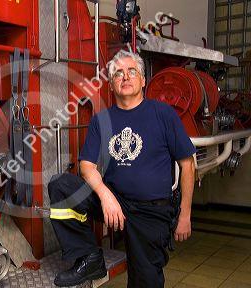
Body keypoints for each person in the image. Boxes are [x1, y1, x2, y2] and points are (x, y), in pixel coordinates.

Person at [49, 50, 196, 287]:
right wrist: (106, 196)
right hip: (115, 202)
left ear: (143, 79)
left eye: (131, 72)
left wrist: (185, 215)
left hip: (151, 211)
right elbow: (87, 165)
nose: (125, 77)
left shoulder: (163, 114)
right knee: (61, 186)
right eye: (118, 73)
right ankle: (88, 257)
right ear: (111, 83)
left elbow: (187, 165)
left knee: (144, 280)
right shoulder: (101, 120)